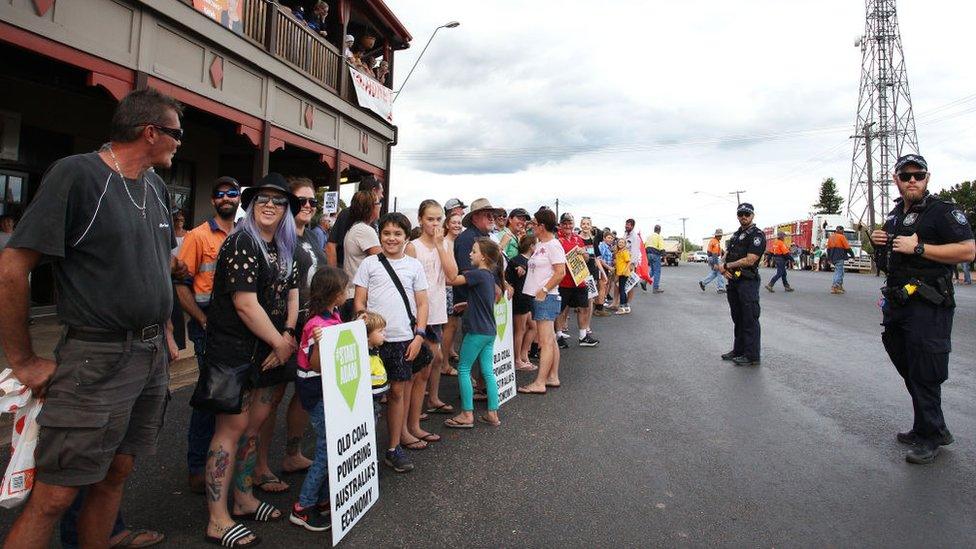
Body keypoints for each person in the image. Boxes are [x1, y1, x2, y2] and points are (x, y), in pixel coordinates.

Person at [0, 88, 183, 547]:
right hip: (95, 358)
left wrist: (164, 334)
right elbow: (11, 269)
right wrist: (23, 360)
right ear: (150, 132)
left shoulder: (156, 187)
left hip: (149, 355)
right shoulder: (76, 174)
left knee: (116, 473)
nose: (181, 143)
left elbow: (156, 268)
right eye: (176, 134)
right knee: (56, 494)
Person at [193, 173, 300, 546]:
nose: (270, 205)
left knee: (252, 429)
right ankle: (217, 519)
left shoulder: (284, 248)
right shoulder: (242, 242)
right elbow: (244, 303)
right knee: (230, 431)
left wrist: (286, 334)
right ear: (252, 205)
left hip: (268, 350)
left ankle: (243, 499)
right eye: (263, 199)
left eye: (279, 200)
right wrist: (282, 343)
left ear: (287, 210)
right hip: (234, 352)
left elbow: (291, 294)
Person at [869, 154, 975, 464]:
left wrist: (919, 247)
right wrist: (881, 243)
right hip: (900, 303)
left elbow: (968, 249)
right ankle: (924, 426)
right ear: (896, 179)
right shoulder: (895, 216)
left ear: (927, 178)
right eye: (906, 175)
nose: (912, 180)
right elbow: (891, 258)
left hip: (929, 304)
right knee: (908, 364)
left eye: (918, 175)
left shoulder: (942, 211)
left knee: (926, 370)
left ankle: (933, 434)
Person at [248, 177, 327, 494]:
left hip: (311, 330)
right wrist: (283, 334)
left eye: (312, 202)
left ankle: (292, 454)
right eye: (300, 201)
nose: (307, 206)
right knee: (270, 399)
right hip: (281, 331)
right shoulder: (277, 240)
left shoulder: (312, 239)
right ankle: (260, 466)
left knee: (303, 394)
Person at [353, 212, 429, 473]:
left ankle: (393, 448)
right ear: (379, 235)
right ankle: (360, 451)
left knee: (397, 393)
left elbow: (422, 303)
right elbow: (359, 302)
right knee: (365, 397)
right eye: (386, 233)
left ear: (407, 237)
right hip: (372, 342)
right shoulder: (370, 264)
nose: (391, 238)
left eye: (397, 234)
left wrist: (419, 335)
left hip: (403, 340)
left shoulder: (414, 266)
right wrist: (366, 327)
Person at [178, 176, 241, 494]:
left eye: (233, 193)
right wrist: (201, 319)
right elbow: (181, 285)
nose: (227, 198)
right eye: (221, 194)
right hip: (209, 332)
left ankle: (223, 464)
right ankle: (196, 468)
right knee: (209, 401)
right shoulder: (196, 236)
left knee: (233, 402)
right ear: (213, 200)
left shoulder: (245, 235)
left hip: (239, 332)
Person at [289, 266, 348, 532]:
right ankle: (303, 506)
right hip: (316, 389)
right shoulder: (317, 325)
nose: (347, 293)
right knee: (326, 448)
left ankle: (324, 500)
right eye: (344, 289)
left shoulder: (332, 315)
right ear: (334, 294)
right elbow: (315, 365)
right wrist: (321, 343)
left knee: (332, 444)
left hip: (327, 389)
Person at [404, 200, 456, 444]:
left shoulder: (444, 243)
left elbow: (452, 274)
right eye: (430, 219)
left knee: (425, 372)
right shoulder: (412, 247)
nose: (435, 224)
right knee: (413, 374)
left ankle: (414, 424)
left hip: (436, 313)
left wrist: (440, 245)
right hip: (417, 316)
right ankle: (406, 426)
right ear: (421, 220)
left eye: (438, 219)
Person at [444, 238, 505, 428]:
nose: (470, 254)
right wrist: (468, 304)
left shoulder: (477, 274)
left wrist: (441, 248)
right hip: (489, 331)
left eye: (474, 251)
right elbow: (485, 301)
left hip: (476, 331)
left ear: (484, 257)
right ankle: (493, 413)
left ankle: (466, 414)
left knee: (463, 369)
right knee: (487, 371)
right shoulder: (489, 276)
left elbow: (451, 279)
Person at [517, 208, 567, 395]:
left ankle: (540, 382)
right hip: (541, 296)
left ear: (542, 226)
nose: (531, 227)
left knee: (545, 341)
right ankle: (552, 376)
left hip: (546, 297)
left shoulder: (553, 245)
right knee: (550, 339)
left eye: (534, 224)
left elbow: (560, 272)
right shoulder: (541, 244)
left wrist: (544, 290)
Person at [718, 203, 766, 367]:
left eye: (747, 214)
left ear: (752, 215)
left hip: (747, 281)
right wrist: (722, 268)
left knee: (749, 318)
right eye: (741, 214)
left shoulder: (757, 235)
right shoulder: (736, 235)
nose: (743, 217)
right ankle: (738, 350)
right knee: (737, 317)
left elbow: (751, 259)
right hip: (734, 281)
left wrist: (728, 266)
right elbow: (725, 256)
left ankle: (752, 355)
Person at [556, 213, 599, 347]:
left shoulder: (577, 238)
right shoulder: (557, 239)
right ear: (560, 225)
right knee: (562, 310)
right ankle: (558, 336)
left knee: (584, 308)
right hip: (563, 280)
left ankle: (583, 336)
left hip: (579, 279)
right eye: (565, 223)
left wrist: (583, 253)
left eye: (570, 223)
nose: (568, 226)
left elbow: (587, 258)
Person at [326, 176, 383, 268]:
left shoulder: (368, 222)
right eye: (381, 192)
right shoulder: (351, 216)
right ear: (374, 191)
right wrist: (335, 277)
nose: (382, 196)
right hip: (352, 275)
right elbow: (331, 245)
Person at [341, 190, 381, 299]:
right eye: (378, 203)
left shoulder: (355, 227)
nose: (380, 206)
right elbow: (383, 262)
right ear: (370, 207)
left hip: (353, 293)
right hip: (360, 295)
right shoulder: (365, 230)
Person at [506, 234, 537, 371]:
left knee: (533, 326)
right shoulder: (516, 261)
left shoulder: (532, 260)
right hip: (519, 298)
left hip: (529, 298)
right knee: (520, 329)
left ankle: (524, 354)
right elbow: (509, 278)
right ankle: (517, 359)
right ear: (531, 246)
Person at [440, 211, 464, 371]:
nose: (457, 225)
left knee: (453, 326)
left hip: (455, 287)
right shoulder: (445, 243)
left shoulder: (457, 242)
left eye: (459, 223)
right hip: (447, 288)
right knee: (449, 326)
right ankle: (444, 364)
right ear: (447, 224)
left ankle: (447, 354)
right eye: (454, 222)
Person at [827, 225, 853, 294]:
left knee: (840, 271)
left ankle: (839, 286)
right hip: (839, 257)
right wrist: (852, 255)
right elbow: (847, 248)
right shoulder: (841, 237)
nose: (843, 232)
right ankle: (835, 286)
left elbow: (828, 249)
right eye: (843, 231)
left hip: (833, 257)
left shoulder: (831, 237)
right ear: (841, 230)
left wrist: (829, 258)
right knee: (839, 272)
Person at [699, 229, 727, 293]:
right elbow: (714, 253)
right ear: (718, 236)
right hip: (714, 258)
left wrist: (722, 251)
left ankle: (703, 283)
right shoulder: (716, 242)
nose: (721, 237)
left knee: (714, 273)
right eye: (720, 235)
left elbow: (713, 251)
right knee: (721, 272)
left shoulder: (712, 241)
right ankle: (720, 288)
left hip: (711, 258)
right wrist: (716, 264)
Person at [644, 224, 665, 293]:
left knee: (653, 270)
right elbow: (661, 248)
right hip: (655, 255)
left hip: (648, 254)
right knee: (657, 271)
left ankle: (644, 281)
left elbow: (645, 245)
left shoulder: (649, 236)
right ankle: (655, 288)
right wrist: (664, 258)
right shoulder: (659, 237)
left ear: (654, 229)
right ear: (659, 230)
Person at [614, 238, 632, 314]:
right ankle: (626, 307)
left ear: (625, 244)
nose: (620, 243)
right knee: (622, 289)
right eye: (619, 242)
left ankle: (621, 307)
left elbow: (629, 262)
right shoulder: (619, 252)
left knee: (622, 290)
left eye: (622, 242)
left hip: (623, 273)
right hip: (620, 273)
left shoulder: (625, 251)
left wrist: (625, 270)